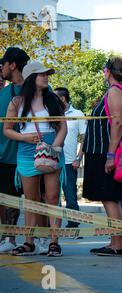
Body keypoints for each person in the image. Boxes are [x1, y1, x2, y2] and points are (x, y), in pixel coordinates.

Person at [4, 61, 67, 256]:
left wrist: (55, 146)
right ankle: (29, 241)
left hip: (51, 149)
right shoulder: (16, 102)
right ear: (32, 78)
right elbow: (7, 130)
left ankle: (54, 242)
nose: (46, 77)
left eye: (47, 74)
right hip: (26, 151)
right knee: (30, 199)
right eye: (42, 74)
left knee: (52, 197)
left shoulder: (54, 100)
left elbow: (63, 127)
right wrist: (24, 137)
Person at [83, 57, 122, 256]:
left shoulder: (114, 91)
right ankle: (115, 241)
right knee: (110, 197)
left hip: (105, 150)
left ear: (108, 72)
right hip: (103, 150)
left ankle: (118, 243)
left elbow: (118, 123)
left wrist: (110, 155)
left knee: (109, 197)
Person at [0, 47, 30, 253]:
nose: (1, 67)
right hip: (5, 157)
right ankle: (8, 238)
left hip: (30, 158)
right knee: (6, 200)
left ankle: (38, 240)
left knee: (35, 201)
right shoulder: (3, 93)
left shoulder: (38, 90)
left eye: (4, 63)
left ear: (12, 65)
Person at [54, 87, 86, 228]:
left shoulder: (78, 114)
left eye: (56, 97)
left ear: (62, 98)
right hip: (53, 161)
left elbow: (85, 138)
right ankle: (54, 225)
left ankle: (73, 226)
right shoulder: (52, 114)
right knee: (52, 196)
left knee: (71, 197)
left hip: (69, 163)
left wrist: (78, 158)